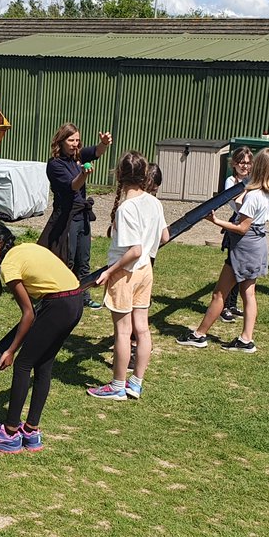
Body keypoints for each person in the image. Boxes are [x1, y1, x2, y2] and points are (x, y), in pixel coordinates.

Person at [0, 220, 85, 453]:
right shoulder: (24, 249)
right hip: (75, 301)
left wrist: (11, 350)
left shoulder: (9, 265)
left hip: (59, 305)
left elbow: (28, 315)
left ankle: (10, 433)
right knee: (43, 364)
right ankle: (31, 431)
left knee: (23, 364)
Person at [175, 148, 269, 354]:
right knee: (249, 294)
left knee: (219, 293)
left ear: (259, 167)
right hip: (258, 246)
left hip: (245, 247)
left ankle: (199, 335)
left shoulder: (254, 196)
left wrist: (216, 220)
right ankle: (246, 339)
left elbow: (243, 228)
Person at [87, 151, 167, 401]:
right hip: (146, 272)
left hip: (126, 273)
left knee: (123, 331)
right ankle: (136, 383)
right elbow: (164, 237)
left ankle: (117, 385)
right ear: (145, 175)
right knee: (141, 329)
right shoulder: (154, 202)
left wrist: (110, 271)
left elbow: (135, 250)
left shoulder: (126, 208)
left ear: (119, 174)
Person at [39, 123, 113, 309]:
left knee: (84, 258)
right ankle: (63, 293)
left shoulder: (78, 156)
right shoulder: (55, 164)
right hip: (67, 216)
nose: (75, 144)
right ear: (61, 141)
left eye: (77, 140)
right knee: (67, 258)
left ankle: (83, 295)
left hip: (83, 216)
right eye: (71, 140)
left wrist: (103, 143)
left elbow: (97, 151)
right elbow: (73, 186)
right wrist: (84, 174)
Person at [218, 147, 253, 322]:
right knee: (231, 266)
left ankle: (232, 303)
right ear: (234, 164)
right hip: (236, 223)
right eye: (242, 163)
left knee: (240, 268)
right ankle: (223, 306)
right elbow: (236, 204)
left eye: (248, 163)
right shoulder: (231, 181)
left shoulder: (252, 180)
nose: (245, 166)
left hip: (246, 223)